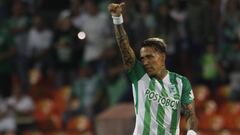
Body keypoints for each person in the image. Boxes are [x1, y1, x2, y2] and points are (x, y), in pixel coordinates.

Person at [108, 2, 198, 135]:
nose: (145, 62)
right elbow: (124, 47)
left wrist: (191, 133)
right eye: (143, 58)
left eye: (150, 57)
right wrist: (117, 19)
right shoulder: (140, 76)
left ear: (162, 57)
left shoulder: (181, 82)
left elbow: (191, 115)